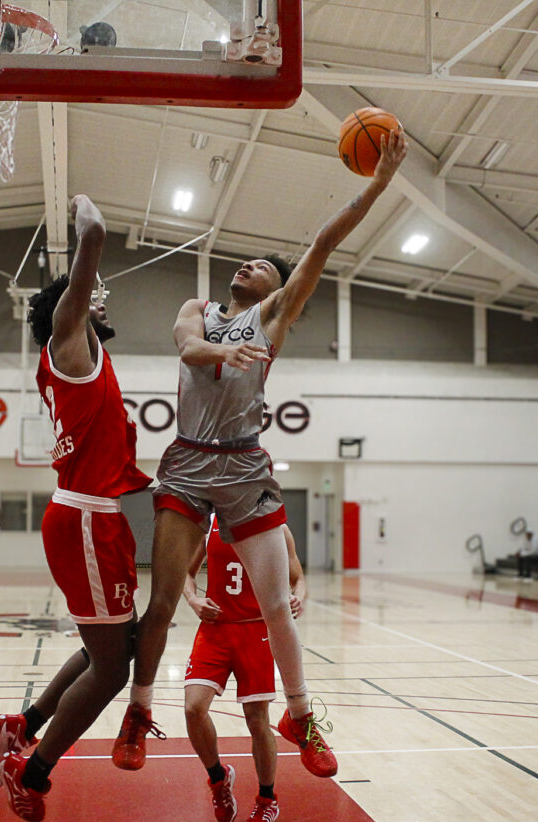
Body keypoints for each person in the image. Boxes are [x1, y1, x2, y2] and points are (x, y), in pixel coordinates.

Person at [111, 128, 409, 779]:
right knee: (160, 598)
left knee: (278, 605)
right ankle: (136, 712)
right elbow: (189, 349)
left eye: (262, 267)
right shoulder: (199, 308)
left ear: (279, 288)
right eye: (242, 263)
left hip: (246, 466)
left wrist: (379, 185)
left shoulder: (272, 319)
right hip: (189, 459)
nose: (245, 266)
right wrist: (224, 352)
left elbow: (323, 246)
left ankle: (299, 716)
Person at [0, 194, 152, 822]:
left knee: (110, 647)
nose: (99, 299)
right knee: (110, 669)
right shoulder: (68, 344)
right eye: (88, 295)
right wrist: (86, 217)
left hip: (93, 517)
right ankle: (34, 769)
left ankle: (20, 724)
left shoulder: (89, 360)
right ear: (68, 312)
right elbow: (96, 238)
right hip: (85, 518)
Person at [183, 517, 305, 822]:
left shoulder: (275, 526)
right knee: (193, 708)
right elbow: (186, 572)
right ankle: (218, 778)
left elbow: (298, 578)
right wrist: (194, 600)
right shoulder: (207, 524)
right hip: (215, 629)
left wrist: (297, 598)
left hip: (256, 629)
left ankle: (267, 800)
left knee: (257, 719)